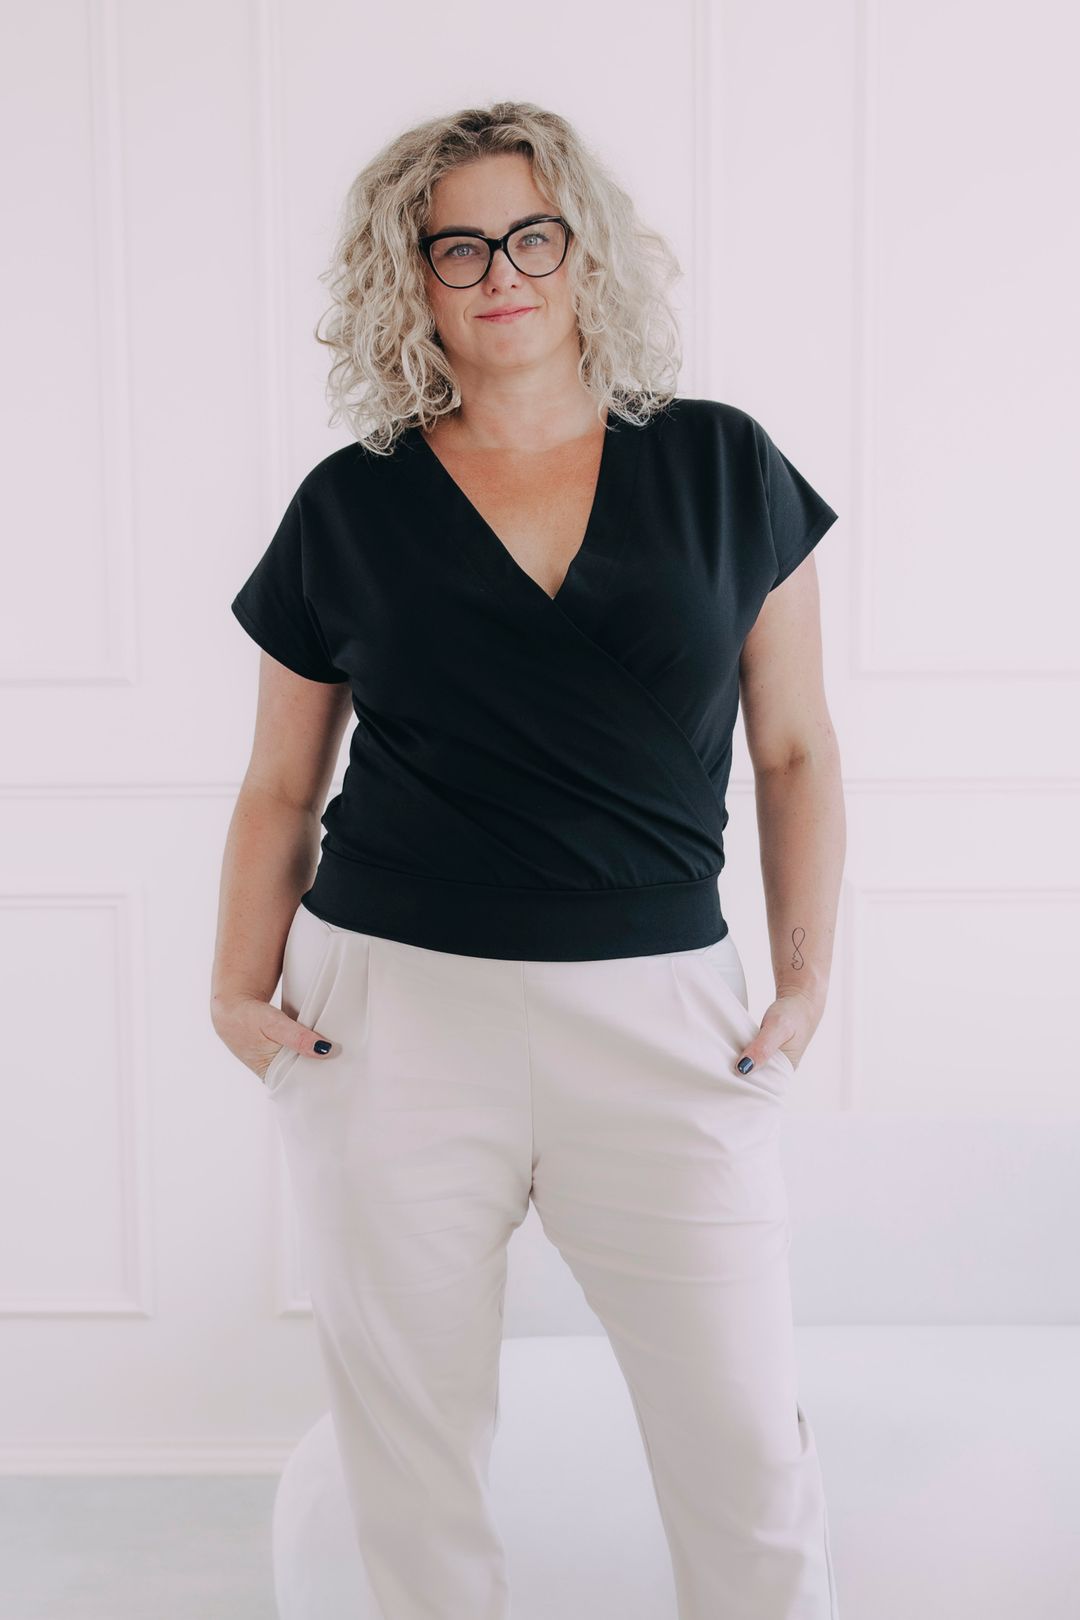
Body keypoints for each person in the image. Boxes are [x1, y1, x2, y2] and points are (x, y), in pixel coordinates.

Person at [211, 99, 844, 1620]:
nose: (501, 271)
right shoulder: (350, 501)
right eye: (459, 248)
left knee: (748, 1456)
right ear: (411, 282)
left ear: (585, 253)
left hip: (664, 1012)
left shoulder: (721, 464)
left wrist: (805, 981)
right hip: (393, 1013)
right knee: (415, 1470)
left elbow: (795, 750)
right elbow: (280, 783)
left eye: (531, 235)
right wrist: (236, 991)